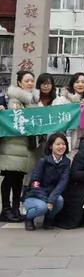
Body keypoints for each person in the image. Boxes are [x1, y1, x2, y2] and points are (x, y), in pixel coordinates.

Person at [0, 70, 39, 222]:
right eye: (27, 80)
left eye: (32, 80)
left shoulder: (31, 101)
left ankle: (15, 208)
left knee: (18, 178)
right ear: (19, 83)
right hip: (13, 145)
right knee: (10, 177)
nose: (30, 83)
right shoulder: (14, 101)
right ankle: (6, 209)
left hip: (25, 145)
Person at [23, 133, 70, 231]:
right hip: (35, 194)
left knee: (60, 200)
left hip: (51, 193)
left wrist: (51, 199)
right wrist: (45, 199)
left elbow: (62, 183)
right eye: (58, 144)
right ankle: (28, 218)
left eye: (63, 144)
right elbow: (35, 181)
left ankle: (48, 220)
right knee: (43, 207)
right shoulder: (43, 160)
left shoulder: (66, 162)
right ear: (50, 146)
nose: (61, 147)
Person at [52, 72, 84, 151]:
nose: (80, 84)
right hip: (64, 139)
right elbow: (55, 117)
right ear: (72, 84)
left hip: (83, 141)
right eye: (77, 82)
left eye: (83, 82)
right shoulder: (62, 99)